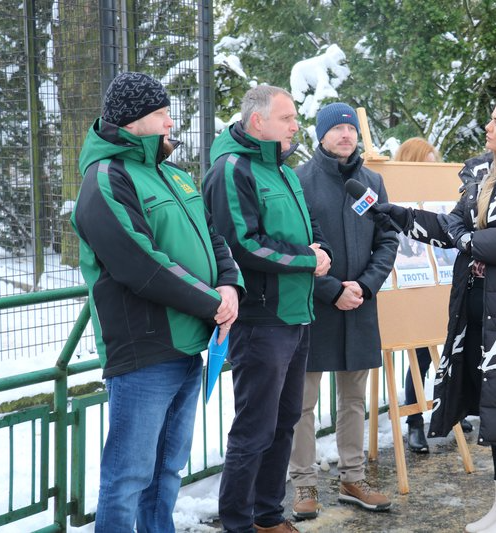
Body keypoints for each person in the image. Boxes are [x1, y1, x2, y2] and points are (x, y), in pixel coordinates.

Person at [371, 94, 496, 533]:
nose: (487, 128)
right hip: (484, 318)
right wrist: (399, 217)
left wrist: (471, 240)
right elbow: (451, 225)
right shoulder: (486, 174)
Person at [71, 72, 243, 533]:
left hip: (188, 347)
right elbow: (140, 264)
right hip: (144, 353)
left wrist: (229, 286)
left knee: (167, 472)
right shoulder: (105, 179)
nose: (171, 122)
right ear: (132, 122)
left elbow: (215, 238)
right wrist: (212, 303)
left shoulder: (174, 174)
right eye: (161, 114)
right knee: (127, 479)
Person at [202, 85, 332, 533]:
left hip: (297, 316)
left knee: (284, 422)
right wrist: (306, 259)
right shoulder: (232, 169)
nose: (296, 125)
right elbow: (242, 245)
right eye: (287, 118)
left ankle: (268, 515)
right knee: (254, 428)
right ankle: (238, 521)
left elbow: (309, 227)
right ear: (258, 122)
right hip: (260, 320)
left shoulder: (285, 171)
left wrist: (320, 250)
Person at [289, 102, 398, 519]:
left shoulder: (372, 182)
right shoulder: (298, 182)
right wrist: (331, 289)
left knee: (354, 400)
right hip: (314, 306)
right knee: (302, 402)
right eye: (336, 129)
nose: (345, 135)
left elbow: (388, 239)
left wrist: (365, 286)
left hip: (359, 306)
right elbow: (295, 249)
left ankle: (353, 478)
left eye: (350, 128)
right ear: (320, 135)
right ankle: (304, 484)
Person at [393, 137, 473, 454]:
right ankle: (414, 422)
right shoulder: (399, 194)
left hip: (446, 281)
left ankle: (454, 410)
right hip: (414, 285)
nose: (431, 169)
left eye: (434, 162)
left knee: (453, 351)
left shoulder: (445, 195)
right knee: (420, 359)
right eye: (425, 163)